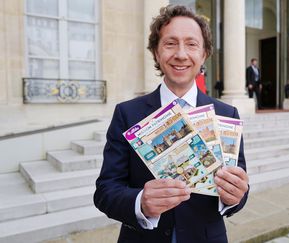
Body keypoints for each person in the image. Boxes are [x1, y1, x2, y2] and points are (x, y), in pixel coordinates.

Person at [94, 5, 249, 243]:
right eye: (170, 43)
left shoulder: (227, 114)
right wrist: (140, 202)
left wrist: (235, 196)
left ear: (204, 53)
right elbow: (106, 191)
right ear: (156, 52)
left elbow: (239, 187)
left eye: (191, 44)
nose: (181, 54)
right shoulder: (126, 114)